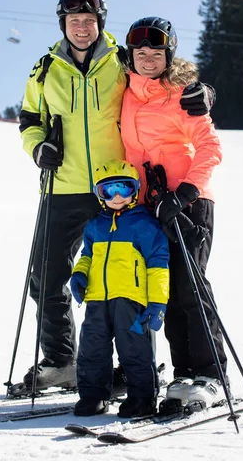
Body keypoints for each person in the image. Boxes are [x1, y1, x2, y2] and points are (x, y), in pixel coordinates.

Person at [18, 0, 215, 391]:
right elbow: (28, 119)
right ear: (63, 24)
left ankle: (140, 365)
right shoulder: (44, 69)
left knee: (135, 277)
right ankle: (62, 362)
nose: (82, 27)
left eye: (90, 20)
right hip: (64, 185)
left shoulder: (121, 61)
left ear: (100, 23)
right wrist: (39, 147)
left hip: (119, 189)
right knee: (45, 275)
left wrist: (206, 91)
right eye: (74, 21)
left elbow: (166, 78)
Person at [120, 16, 228, 410]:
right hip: (148, 205)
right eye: (141, 52)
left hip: (189, 202)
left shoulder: (183, 93)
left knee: (190, 288)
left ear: (169, 55)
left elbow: (210, 148)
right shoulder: (127, 90)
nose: (148, 59)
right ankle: (184, 374)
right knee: (164, 290)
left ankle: (212, 375)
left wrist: (183, 194)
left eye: (157, 53)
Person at [70, 160, 169, 417]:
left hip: (131, 299)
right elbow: (87, 255)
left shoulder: (145, 225)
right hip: (97, 299)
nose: (116, 197)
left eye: (123, 189)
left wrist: (158, 303)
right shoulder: (95, 225)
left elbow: (158, 266)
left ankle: (142, 398)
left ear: (134, 191)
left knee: (133, 347)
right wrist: (79, 274)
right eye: (108, 190)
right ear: (99, 194)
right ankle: (93, 396)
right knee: (93, 346)